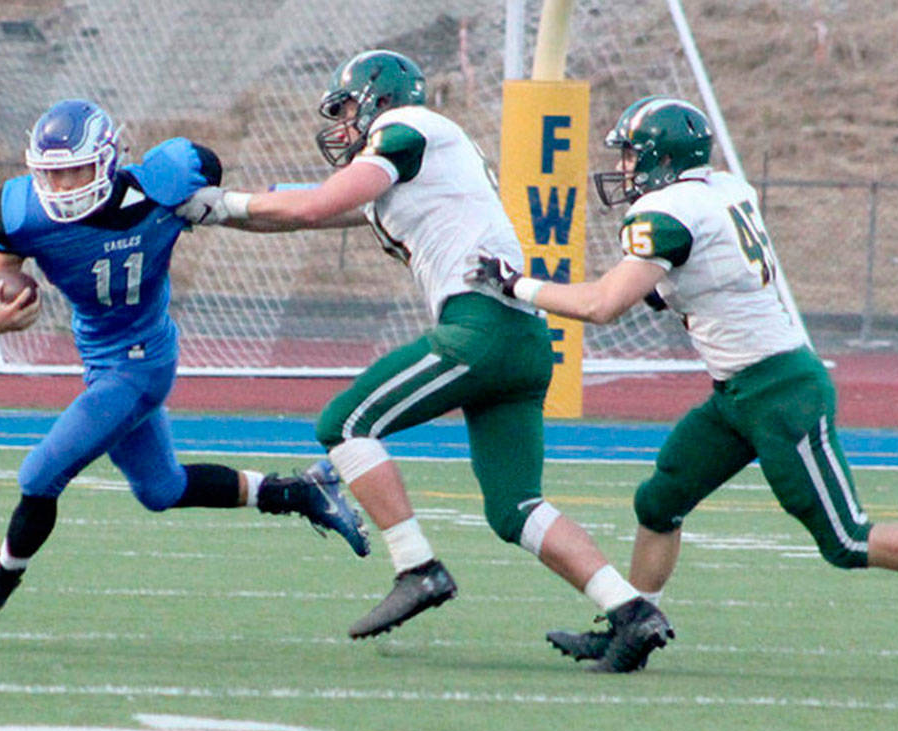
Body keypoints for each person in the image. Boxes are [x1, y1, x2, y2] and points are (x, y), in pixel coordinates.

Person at [472, 96, 898, 660]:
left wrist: (517, 285)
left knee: (845, 538)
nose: (623, 168)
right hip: (737, 393)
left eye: (630, 155)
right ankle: (634, 626)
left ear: (661, 158)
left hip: (781, 391)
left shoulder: (668, 213)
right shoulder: (723, 189)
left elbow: (603, 306)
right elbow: (685, 282)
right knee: (659, 502)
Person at [178, 50, 673, 672]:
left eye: (349, 108)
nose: (344, 123)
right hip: (521, 338)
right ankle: (631, 611)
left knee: (344, 423)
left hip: (481, 327)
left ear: (380, 100)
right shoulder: (415, 164)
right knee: (515, 508)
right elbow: (299, 214)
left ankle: (418, 567)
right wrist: (207, 212)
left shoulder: (406, 128)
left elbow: (310, 206)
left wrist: (221, 203)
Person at [0, 98, 369, 630]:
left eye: (74, 171)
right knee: (162, 489)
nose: (61, 186)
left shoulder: (163, 187)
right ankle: (299, 493)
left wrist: (371, 206)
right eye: (51, 173)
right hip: (99, 357)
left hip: (142, 361)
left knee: (40, 474)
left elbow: (266, 208)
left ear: (108, 159)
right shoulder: (20, 211)